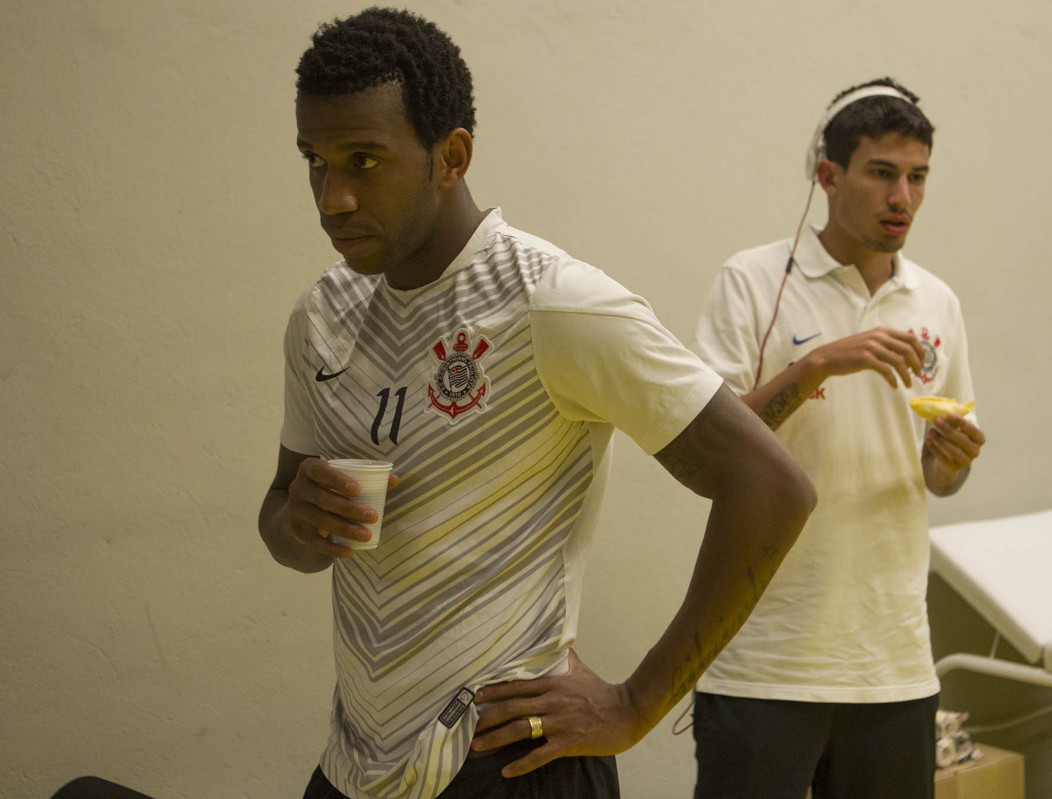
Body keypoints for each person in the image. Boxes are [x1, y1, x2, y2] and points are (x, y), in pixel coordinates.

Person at [257, 8, 816, 799]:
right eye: (315, 161)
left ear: (451, 157)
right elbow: (282, 519)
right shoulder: (322, 315)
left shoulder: (551, 302)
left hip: (511, 762)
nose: (333, 196)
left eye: (364, 160)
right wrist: (298, 522)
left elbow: (773, 485)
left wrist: (636, 704)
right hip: (356, 765)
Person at [688, 78, 986, 799]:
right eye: (882, 173)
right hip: (764, 658)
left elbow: (938, 480)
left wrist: (948, 464)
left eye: (917, 177)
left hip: (892, 661)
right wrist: (819, 360)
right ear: (827, 175)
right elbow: (703, 452)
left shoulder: (936, 301)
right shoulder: (752, 281)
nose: (903, 198)